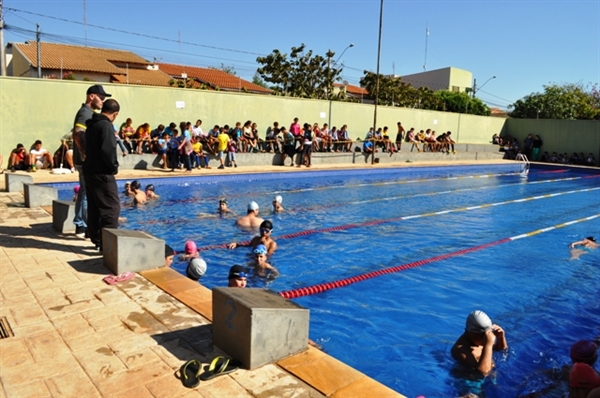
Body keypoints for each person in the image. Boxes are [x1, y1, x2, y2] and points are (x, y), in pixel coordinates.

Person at [82, 98, 121, 252]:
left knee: (95, 206)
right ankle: (108, 246)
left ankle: (97, 239)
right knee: (112, 208)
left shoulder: (92, 124)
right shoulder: (105, 126)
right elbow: (108, 150)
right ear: (115, 114)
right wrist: (114, 167)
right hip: (102, 172)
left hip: (90, 169)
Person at [72, 84, 110, 239]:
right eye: (101, 98)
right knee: (88, 193)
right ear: (91, 96)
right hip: (84, 161)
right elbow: (77, 134)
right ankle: (84, 226)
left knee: (84, 192)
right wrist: (86, 155)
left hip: (82, 160)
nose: (102, 101)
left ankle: (80, 224)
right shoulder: (85, 113)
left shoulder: (88, 112)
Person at [451, 310, 508, 376]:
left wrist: (500, 338)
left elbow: (501, 350)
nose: (488, 336)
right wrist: (488, 345)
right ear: (472, 333)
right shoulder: (460, 350)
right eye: (484, 335)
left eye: (489, 332)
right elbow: (483, 372)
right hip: (471, 383)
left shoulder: (478, 341)